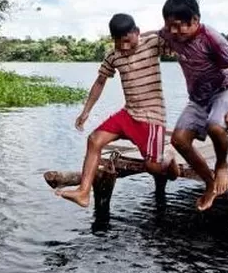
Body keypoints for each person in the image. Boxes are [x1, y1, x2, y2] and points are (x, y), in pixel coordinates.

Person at [57, 13, 180, 208]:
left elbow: (177, 42)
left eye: (127, 41)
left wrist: (155, 33)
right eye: (117, 42)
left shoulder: (152, 43)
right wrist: (86, 111)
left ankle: (169, 158)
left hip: (152, 116)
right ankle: (83, 193)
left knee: (152, 167)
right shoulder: (114, 55)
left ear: (137, 33)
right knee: (94, 140)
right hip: (128, 114)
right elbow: (100, 81)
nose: (123, 47)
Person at [157, 0, 228, 211]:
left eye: (180, 25)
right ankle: (209, 183)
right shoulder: (169, 33)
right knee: (178, 140)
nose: (174, 31)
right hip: (198, 98)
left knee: (215, 127)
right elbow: (154, 34)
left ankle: (222, 164)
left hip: (223, 89)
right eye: (170, 25)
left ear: (195, 20)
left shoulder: (211, 38)